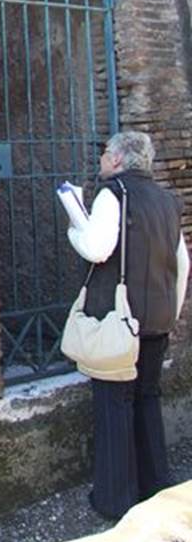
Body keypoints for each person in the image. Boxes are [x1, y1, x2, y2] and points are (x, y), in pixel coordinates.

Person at [66, 130, 189, 521]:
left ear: (117, 160)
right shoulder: (168, 201)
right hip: (157, 319)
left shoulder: (113, 193)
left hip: (120, 321)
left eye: (105, 153)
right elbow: (181, 263)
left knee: (114, 404)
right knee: (148, 399)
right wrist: (171, 311)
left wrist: (75, 227)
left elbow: (97, 248)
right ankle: (156, 490)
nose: (102, 160)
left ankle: (115, 500)